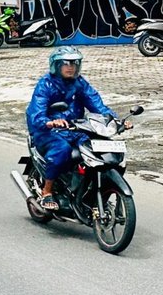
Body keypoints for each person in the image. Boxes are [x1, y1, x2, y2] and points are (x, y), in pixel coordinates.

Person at [27, 47, 129, 211]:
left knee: (101, 151)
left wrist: (115, 121)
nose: (71, 67)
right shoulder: (45, 84)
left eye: (75, 63)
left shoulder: (80, 83)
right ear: (56, 65)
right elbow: (35, 113)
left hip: (76, 129)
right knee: (62, 150)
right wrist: (50, 122)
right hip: (48, 132)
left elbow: (97, 105)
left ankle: (92, 191)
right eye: (66, 63)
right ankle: (47, 191)